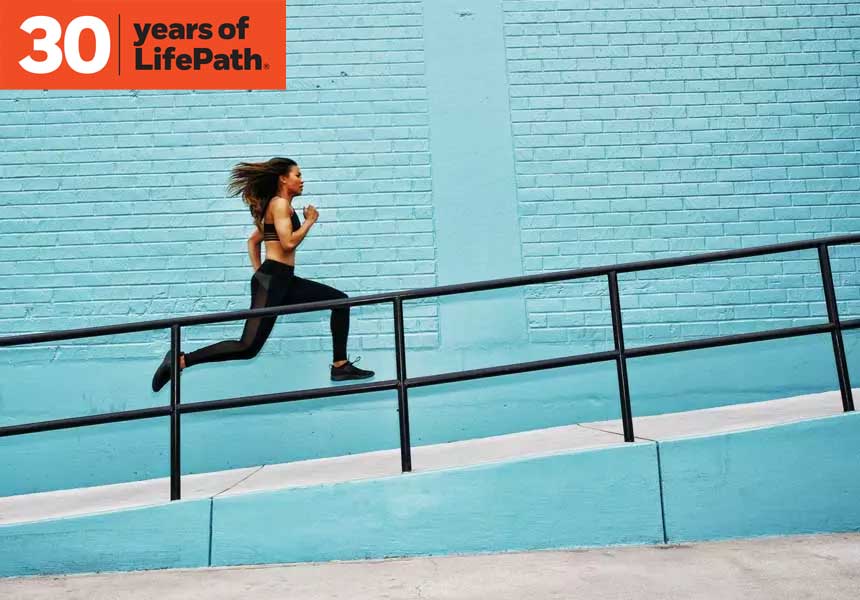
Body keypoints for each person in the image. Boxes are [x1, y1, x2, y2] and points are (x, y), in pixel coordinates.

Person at [151, 157, 374, 392]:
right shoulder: (278, 204)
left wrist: (260, 272)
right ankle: (180, 361)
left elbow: (254, 240)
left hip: (280, 279)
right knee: (247, 347)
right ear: (283, 178)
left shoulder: (279, 207)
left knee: (340, 302)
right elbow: (287, 243)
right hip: (274, 279)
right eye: (297, 175)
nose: (302, 180)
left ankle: (340, 365)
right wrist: (309, 222)